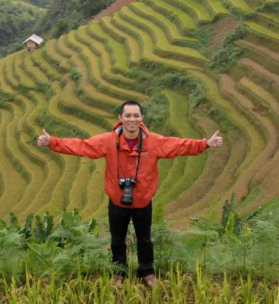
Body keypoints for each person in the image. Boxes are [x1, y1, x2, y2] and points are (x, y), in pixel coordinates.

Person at [36, 100, 223, 287]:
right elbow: (82, 146)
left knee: (145, 239)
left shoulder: (154, 141)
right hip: (117, 201)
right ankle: (119, 274)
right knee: (117, 240)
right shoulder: (108, 141)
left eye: (135, 115)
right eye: (128, 116)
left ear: (141, 118)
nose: (131, 119)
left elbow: (180, 145)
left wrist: (206, 143)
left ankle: (147, 272)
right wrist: (52, 142)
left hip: (143, 201)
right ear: (120, 118)